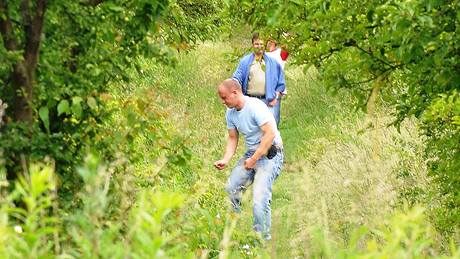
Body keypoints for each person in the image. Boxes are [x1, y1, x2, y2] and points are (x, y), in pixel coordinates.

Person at [214, 78, 284, 241]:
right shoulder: (230, 113)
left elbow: (270, 133)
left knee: (259, 199)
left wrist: (254, 159)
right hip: (252, 153)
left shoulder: (255, 107)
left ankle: (261, 241)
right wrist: (225, 159)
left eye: (224, 98)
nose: (222, 101)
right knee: (231, 188)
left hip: (270, 153)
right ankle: (233, 233)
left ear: (235, 93)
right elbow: (232, 138)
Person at [232, 33, 285, 126]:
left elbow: (280, 83)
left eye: (261, 44)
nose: (259, 46)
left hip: (269, 101)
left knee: (271, 128)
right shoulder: (245, 61)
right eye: (256, 44)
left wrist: (275, 97)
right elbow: (236, 78)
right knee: (254, 129)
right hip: (251, 100)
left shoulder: (273, 62)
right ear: (252, 45)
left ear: (264, 46)